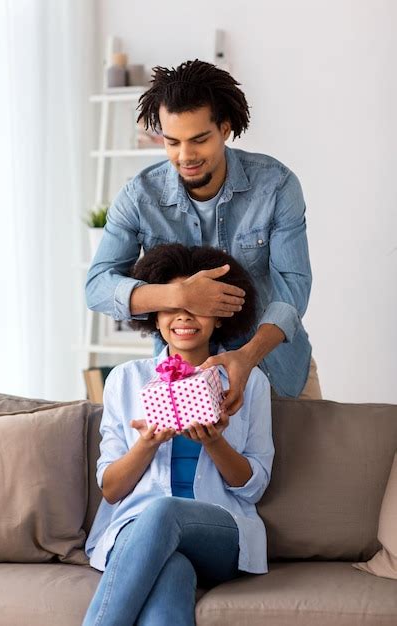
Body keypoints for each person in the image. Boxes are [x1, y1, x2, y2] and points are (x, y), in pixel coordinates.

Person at [86, 59, 322, 410]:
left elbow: (294, 286)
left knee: (307, 466)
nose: (185, 156)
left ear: (224, 129)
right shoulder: (138, 197)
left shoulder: (276, 186)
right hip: (182, 380)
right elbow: (97, 287)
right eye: (172, 142)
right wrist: (178, 294)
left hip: (277, 371)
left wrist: (246, 356)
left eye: (199, 140)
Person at [82, 244, 274, 626]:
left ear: (220, 317)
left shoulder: (247, 384)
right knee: (174, 570)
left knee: (165, 511)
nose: (184, 316)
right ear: (154, 317)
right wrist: (147, 444)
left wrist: (214, 441)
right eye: (172, 306)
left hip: (219, 531)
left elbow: (253, 488)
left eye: (199, 306)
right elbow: (111, 489)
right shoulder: (126, 381)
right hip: (137, 531)